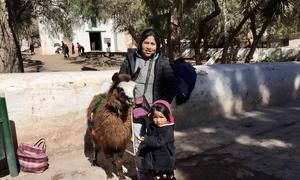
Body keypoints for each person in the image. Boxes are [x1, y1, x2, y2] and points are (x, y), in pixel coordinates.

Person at [119, 28, 176, 179]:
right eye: (146, 42)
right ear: (140, 43)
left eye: (153, 43)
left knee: (159, 145)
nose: (149, 46)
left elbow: (171, 87)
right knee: (140, 144)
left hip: (156, 113)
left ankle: (159, 173)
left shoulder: (163, 62)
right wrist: (128, 101)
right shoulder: (131, 59)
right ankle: (143, 175)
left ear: (157, 46)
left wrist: (160, 107)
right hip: (137, 111)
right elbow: (122, 80)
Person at [138, 100, 176, 180]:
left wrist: (146, 140)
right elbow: (149, 135)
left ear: (168, 116)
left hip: (165, 160)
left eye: (161, 117)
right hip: (155, 159)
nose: (158, 120)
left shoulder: (167, 130)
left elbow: (159, 141)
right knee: (156, 176)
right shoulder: (153, 126)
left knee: (166, 177)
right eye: (155, 117)